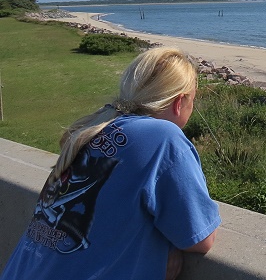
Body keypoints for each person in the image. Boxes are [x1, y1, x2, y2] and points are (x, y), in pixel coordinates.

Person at [1, 47, 221, 280]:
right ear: (179, 102)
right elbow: (200, 238)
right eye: (192, 100)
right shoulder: (163, 137)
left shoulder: (97, 126)